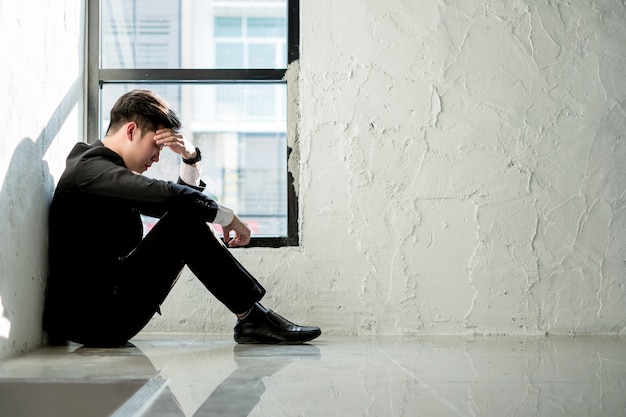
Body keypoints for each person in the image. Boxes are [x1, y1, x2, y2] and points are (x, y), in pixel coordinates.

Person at [43, 89, 321, 347]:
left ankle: (251, 316)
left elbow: (177, 206)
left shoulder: (100, 170)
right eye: (157, 145)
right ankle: (252, 318)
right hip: (92, 320)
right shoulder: (90, 168)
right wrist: (227, 217)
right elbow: (171, 200)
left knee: (182, 222)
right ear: (131, 131)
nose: (156, 157)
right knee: (183, 223)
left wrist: (191, 160)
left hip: (102, 309)